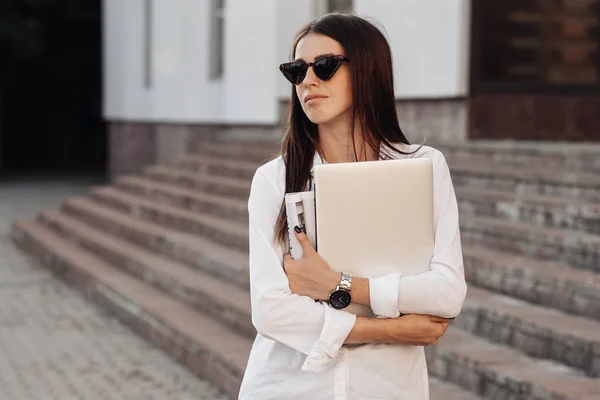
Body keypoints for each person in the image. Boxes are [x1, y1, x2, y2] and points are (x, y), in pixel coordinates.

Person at [238, 12, 467, 400]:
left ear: (368, 71)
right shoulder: (274, 180)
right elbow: (271, 312)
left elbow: (446, 293)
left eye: (324, 66)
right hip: (289, 386)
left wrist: (338, 286)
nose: (307, 81)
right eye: (296, 70)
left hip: (388, 387)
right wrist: (391, 328)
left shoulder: (423, 168)